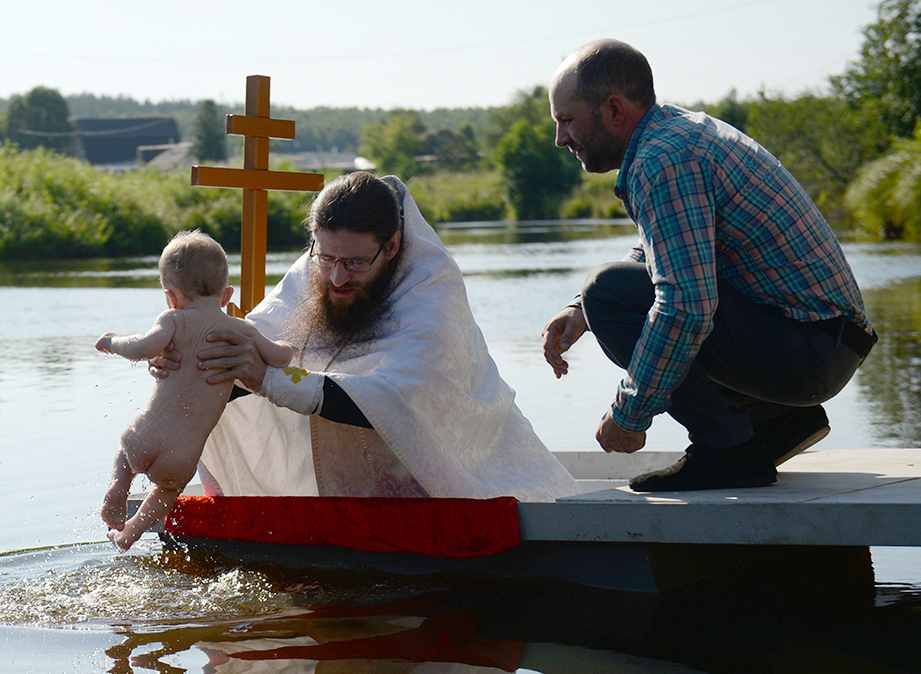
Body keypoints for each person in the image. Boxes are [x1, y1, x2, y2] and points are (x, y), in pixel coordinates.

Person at [539, 39, 877, 492]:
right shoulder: (672, 136)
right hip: (822, 344)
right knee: (604, 295)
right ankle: (777, 424)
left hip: (811, 353)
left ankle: (728, 450)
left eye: (566, 120)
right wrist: (579, 309)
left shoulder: (664, 159)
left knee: (611, 295)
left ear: (614, 110)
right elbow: (662, 251)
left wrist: (629, 415)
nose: (560, 138)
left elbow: (686, 306)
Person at [156, 172, 578, 502]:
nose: (337, 278)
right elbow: (250, 343)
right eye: (326, 258)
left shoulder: (432, 287)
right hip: (341, 494)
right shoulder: (318, 268)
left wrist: (268, 380)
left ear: (392, 247)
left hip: (449, 482)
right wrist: (187, 365)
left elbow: (399, 399)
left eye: (355, 263)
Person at [96, 230, 296, 551]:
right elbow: (278, 356)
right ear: (227, 294)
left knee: (124, 454)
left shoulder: (174, 320)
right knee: (165, 492)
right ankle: (129, 533)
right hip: (183, 456)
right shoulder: (242, 329)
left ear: (171, 296)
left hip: (147, 435)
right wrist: (291, 347)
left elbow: (142, 347)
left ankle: (117, 491)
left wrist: (112, 342)